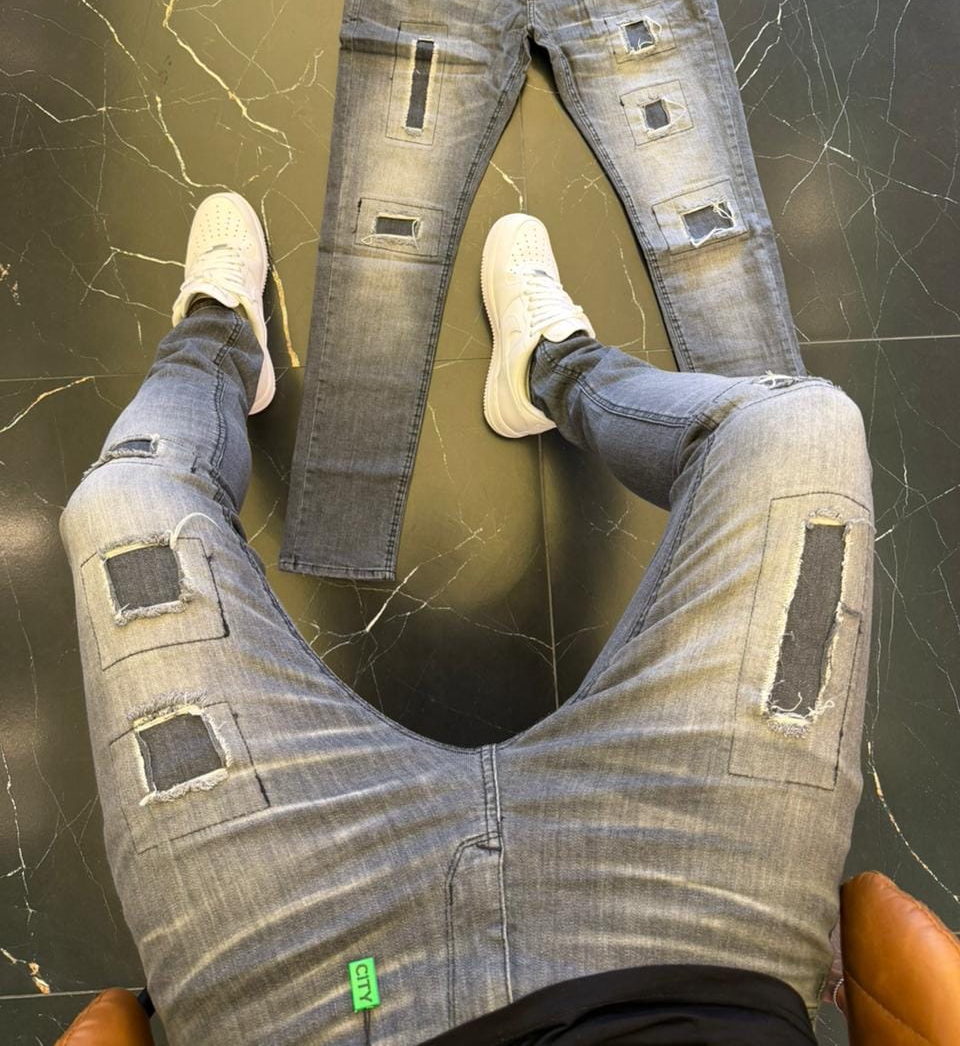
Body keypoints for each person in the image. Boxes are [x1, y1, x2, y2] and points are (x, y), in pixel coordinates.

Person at [58, 193, 870, 1045]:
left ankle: (215, 340)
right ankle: (560, 368)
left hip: (302, 982)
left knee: (126, 504)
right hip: (697, 939)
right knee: (796, 426)